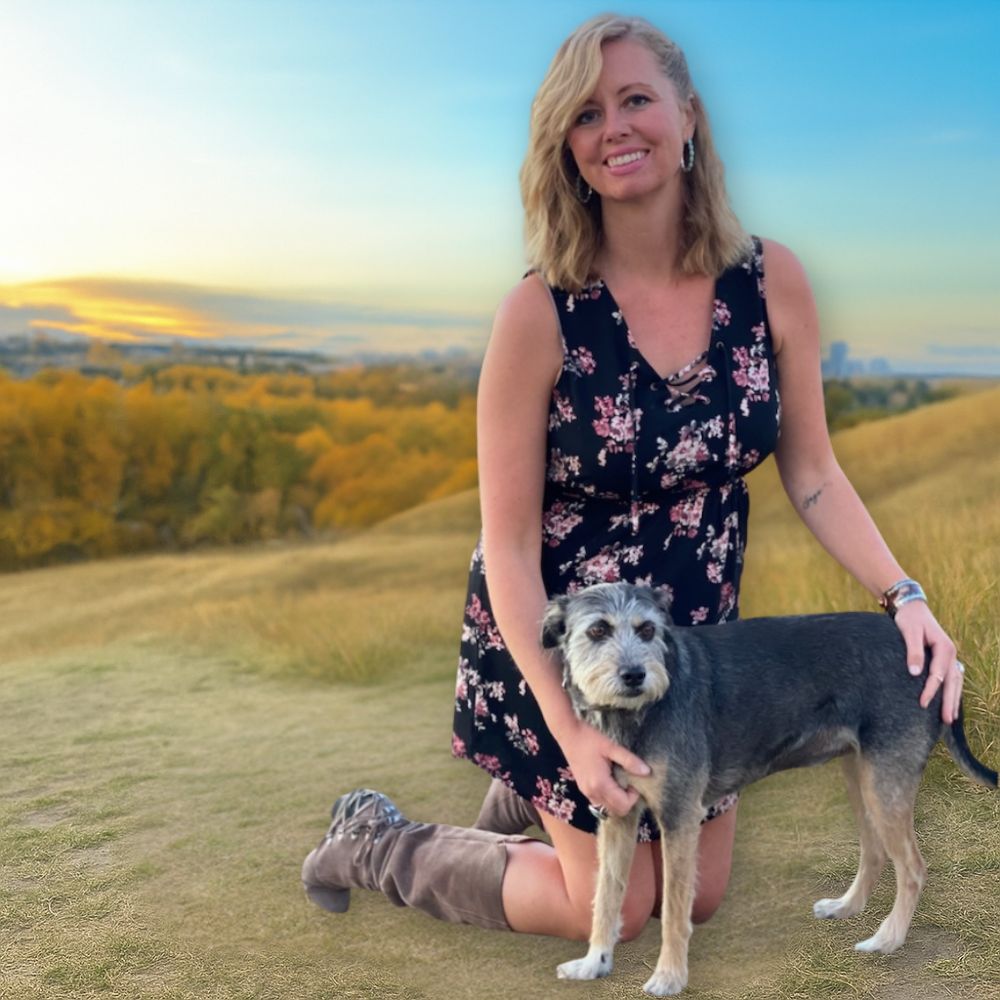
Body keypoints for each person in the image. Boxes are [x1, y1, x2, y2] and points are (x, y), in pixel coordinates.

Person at [301, 12, 963, 943]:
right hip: (559, 642)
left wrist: (902, 596)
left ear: (688, 117)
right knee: (618, 905)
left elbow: (813, 472)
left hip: (690, 654)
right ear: (567, 150)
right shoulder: (538, 312)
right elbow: (511, 545)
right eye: (585, 113)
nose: (614, 126)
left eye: (637, 99)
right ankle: (375, 841)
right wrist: (569, 728)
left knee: (694, 894)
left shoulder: (773, 282)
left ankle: (527, 800)